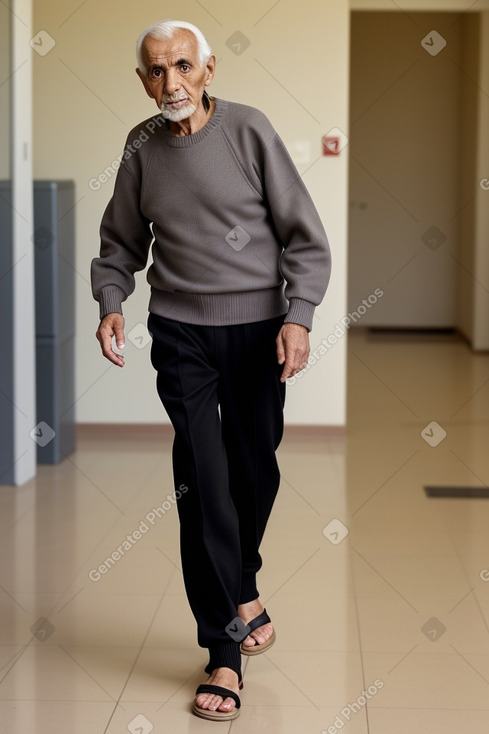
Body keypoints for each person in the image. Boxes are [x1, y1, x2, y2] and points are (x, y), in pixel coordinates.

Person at [91, 18, 331, 721]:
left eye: (183, 67)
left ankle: (242, 579)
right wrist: (111, 300)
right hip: (180, 332)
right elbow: (120, 241)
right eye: (156, 71)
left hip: (258, 330)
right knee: (201, 479)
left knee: (254, 468)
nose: (171, 83)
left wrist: (299, 315)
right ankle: (223, 651)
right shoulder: (141, 145)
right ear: (143, 80)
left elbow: (303, 238)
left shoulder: (249, 131)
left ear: (209, 70)